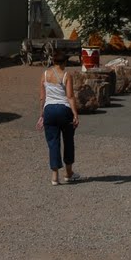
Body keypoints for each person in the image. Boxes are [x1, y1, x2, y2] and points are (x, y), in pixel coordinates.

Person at [39, 51, 80, 185]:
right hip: (63, 110)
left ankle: (54, 176)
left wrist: (42, 114)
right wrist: (75, 113)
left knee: (53, 142)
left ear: (53, 61)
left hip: (49, 110)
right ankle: (68, 173)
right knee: (68, 141)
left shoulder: (45, 75)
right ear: (64, 62)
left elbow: (42, 97)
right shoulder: (66, 75)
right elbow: (70, 96)